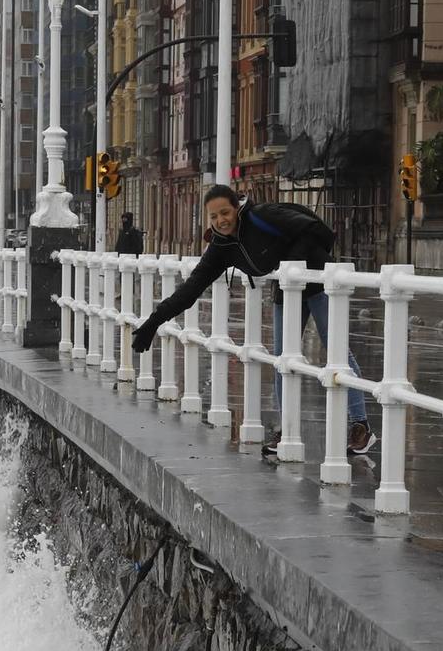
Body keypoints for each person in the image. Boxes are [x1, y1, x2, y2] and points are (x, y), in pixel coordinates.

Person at [129, 184, 375, 455]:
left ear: (236, 208)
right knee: (284, 358)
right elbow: (190, 290)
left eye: (225, 212)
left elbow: (316, 231)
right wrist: (153, 322)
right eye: (214, 216)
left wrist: (293, 265)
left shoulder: (262, 217)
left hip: (317, 281)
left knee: (335, 351)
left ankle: (360, 425)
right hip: (285, 289)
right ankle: (287, 432)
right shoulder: (221, 247)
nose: (221, 220)